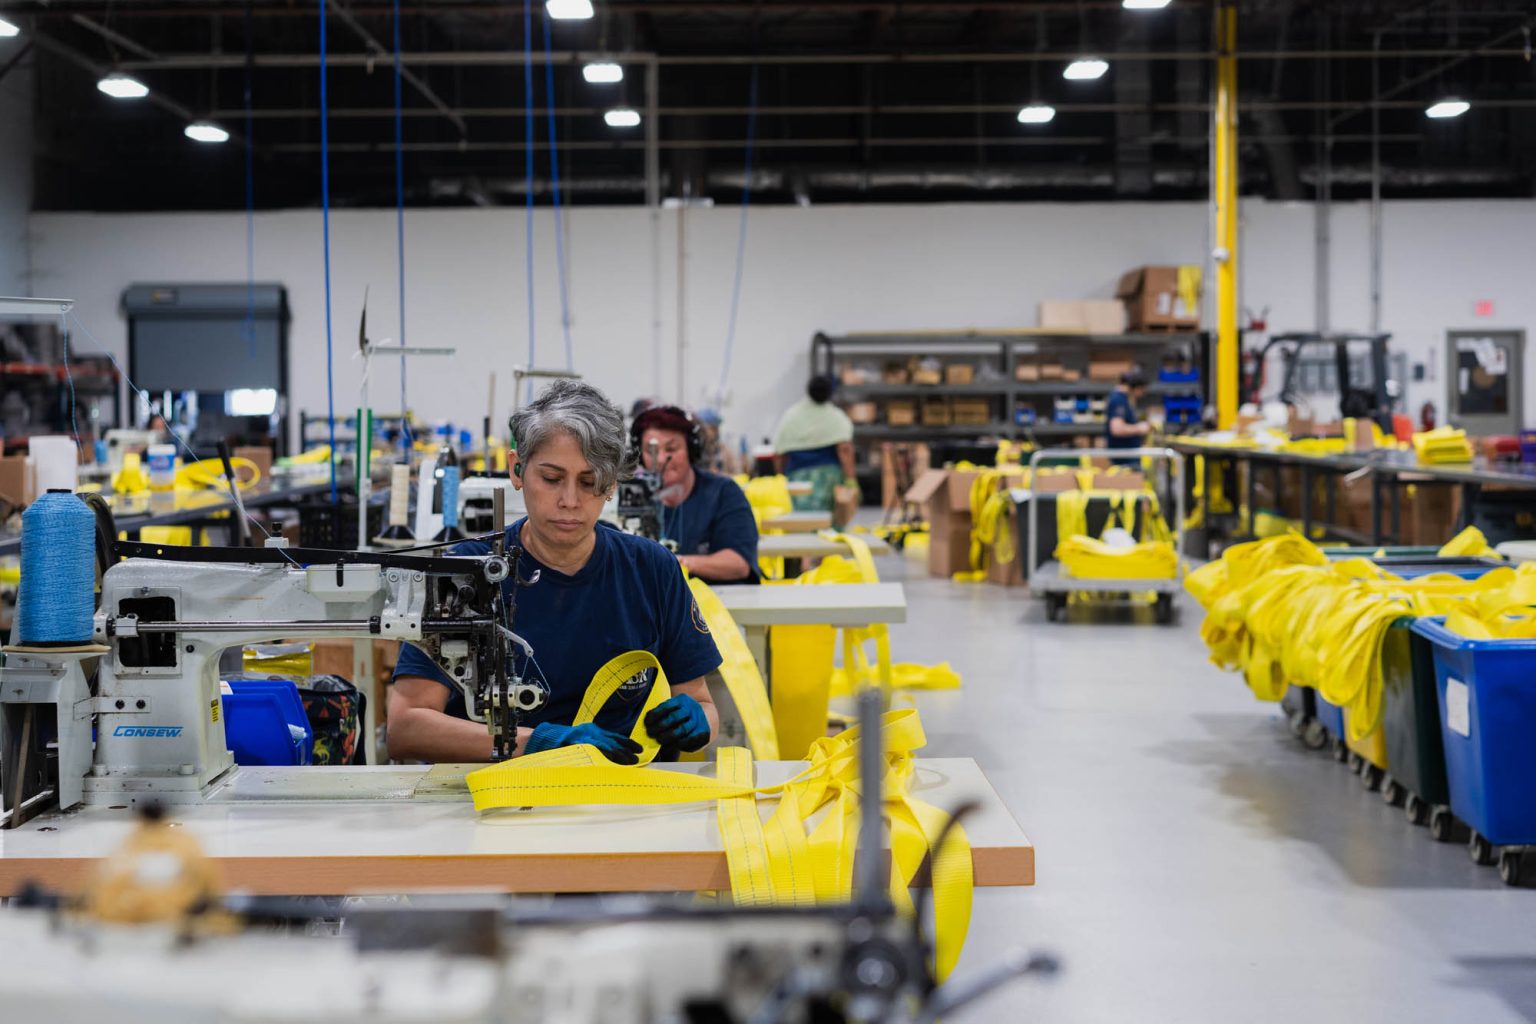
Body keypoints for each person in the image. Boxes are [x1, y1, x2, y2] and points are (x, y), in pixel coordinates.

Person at [387, 380, 721, 764]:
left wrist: (698, 722)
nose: (569, 501)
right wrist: (540, 744)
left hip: (623, 798)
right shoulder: (464, 576)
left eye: (590, 481)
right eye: (551, 478)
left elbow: (701, 702)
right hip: (496, 801)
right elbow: (406, 727)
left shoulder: (651, 569)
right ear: (517, 470)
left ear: (612, 484)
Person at [633, 404, 759, 585]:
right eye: (650, 451)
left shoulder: (723, 493)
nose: (660, 460)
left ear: (692, 451)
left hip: (714, 606)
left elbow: (738, 563)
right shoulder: (631, 497)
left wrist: (674, 563)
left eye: (671, 449)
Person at [772, 374, 857, 517]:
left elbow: (779, 455)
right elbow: (845, 451)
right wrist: (851, 480)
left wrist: (779, 479)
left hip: (797, 476)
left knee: (799, 522)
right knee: (827, 523)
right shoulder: (837, 417)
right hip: (829, 478)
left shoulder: (791, 416)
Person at [1106, 368, 1153, 461]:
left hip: (1128, 455)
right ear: (1137, 387)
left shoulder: (1124, 399)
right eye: (1142, 390)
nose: (1142, 393)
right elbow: (1117, 429)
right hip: (1124, 458)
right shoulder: (1118, 400)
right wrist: (1139, 428)